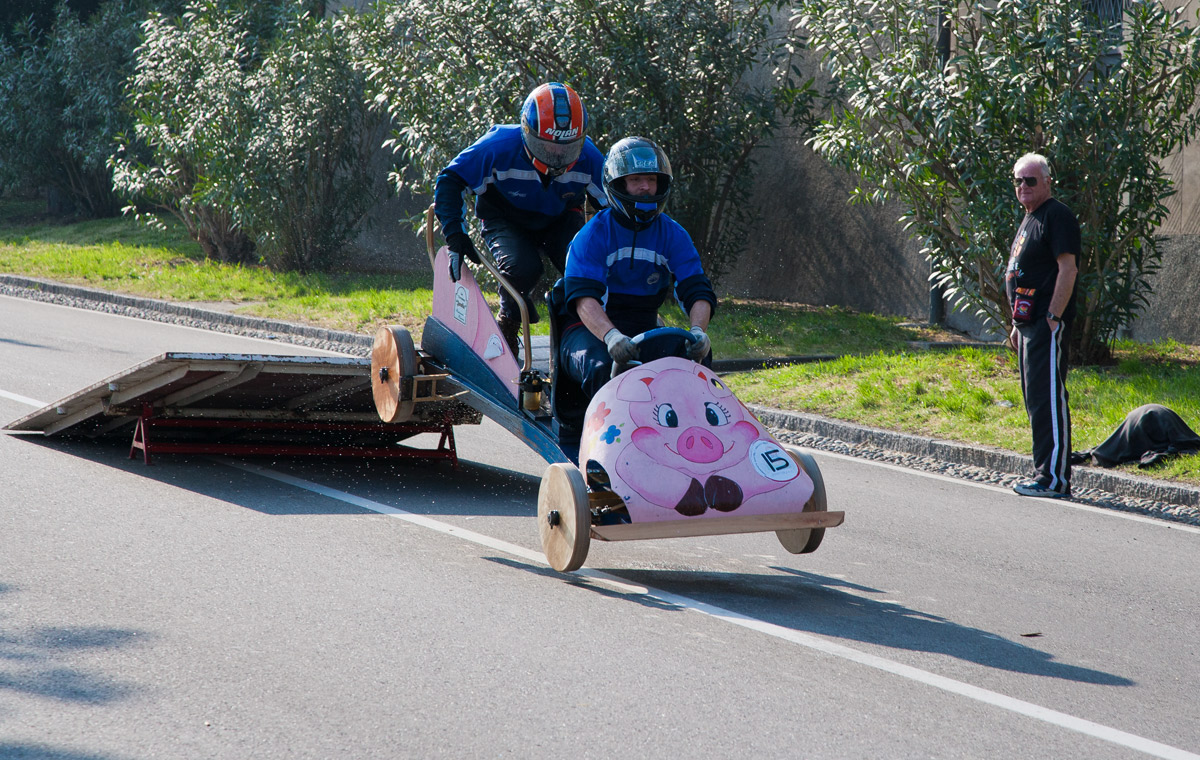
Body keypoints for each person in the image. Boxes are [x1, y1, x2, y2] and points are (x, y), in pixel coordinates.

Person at [433, 82, 607, 355]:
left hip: (561, 218)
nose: (558, 156)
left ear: (581, 138)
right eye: (547, 146)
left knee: (582, 268)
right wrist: (455, 234)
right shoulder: (498, 145)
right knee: (523, 267)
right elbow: (450, 178)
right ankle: (509, 322)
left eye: (568, 147)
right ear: (527, 132)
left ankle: (588, 330)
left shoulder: (590, 157)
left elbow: (613, 207)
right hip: (504, 217)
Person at [557, 136, 717, 403]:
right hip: (586, 330)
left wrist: (699, 331)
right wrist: (610, 336)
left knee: (696, 357)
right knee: (601, 369)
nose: (646, 187)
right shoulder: (592, 235)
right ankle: (605, 442)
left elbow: (697, 289)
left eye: (652, 180)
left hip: (644, 326)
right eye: (636, 180)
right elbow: (585, 299)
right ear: (617, 184)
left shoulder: (674, 234)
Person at [1005, 152, 1080, 499]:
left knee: (1049, 398)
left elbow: (1068, 269)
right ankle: (1042, 472)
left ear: (1047, 181)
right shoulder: (1029, 219)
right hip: (1028, 326)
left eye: (1030, 180)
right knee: (1035, 399)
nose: (1023, 186)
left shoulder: (1057, 216)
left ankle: (1054, 480)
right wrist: (1016, 325)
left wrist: (1052, 317)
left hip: (1046, 324)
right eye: (1018, 180)